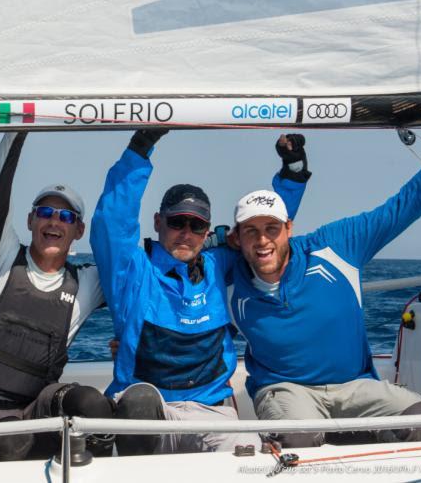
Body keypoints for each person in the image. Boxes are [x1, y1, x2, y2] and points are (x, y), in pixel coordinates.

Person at [228, 79, 421, 448]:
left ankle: (360, 433)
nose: (262, 241)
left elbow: (405, 205)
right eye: (251, 231)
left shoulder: (337, 246)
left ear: (289, 228)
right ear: (237, 238)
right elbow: (166, 265)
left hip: (354, 386)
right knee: (298, 439)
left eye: (271, 229)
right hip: (285, 390)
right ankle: (347, 436)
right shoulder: (225, 274)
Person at [90, 129, 310, 455]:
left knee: (250, 457)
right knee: (139, 400)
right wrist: (140, 147)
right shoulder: (131, 269)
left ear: (207, 232)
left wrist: (293, 172)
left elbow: (265, 229)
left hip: (212, 414)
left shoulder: (220, 264)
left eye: (196, 226)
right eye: (177, 222)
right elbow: (113, 221)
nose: (186, 233)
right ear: (158, 222)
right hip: (149, 412)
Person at [0, 132, 113, 461]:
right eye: (45, 212)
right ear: (30, 220)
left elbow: (132, 264)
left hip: (33, 410)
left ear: (79, 230)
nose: (54, 221)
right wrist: (17, 131)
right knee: (10, 440)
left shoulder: (87, 283)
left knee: (92, 404)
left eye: (66, 217)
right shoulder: (2, 259)